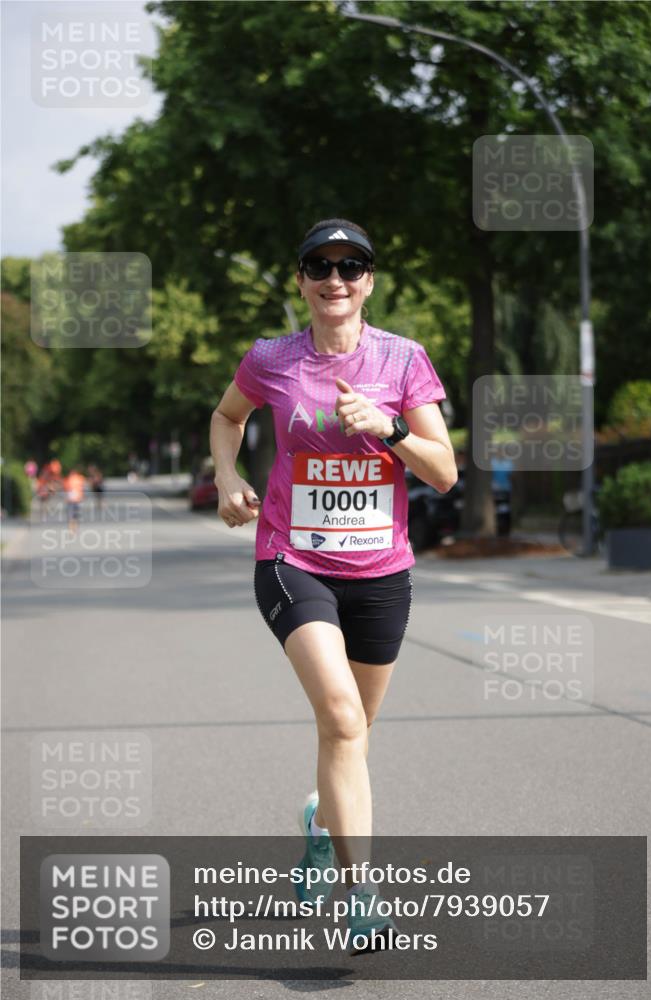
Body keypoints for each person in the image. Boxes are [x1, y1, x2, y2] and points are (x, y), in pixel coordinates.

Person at [210, 219, 458, 953]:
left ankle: (321, 822)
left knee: (351, 734)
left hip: (381, 574)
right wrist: (226, 474)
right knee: (343, 720)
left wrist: (384, 428)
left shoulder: (403, 360)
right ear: (301, 280)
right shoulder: (271, 359)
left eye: (351, 266)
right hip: (293, 560)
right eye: (319, 266)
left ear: (369, 281)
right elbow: (228, 417)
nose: (334, 279)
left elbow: (443, 471)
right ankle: (363, 897)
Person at [63, 466, 87, 534]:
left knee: (72, 515)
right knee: (74, 515)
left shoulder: (69, 479)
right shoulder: (79, 478)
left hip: (73, 499)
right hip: (75, 499)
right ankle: (73, 529)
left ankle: (72, 529)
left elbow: (66, 489)